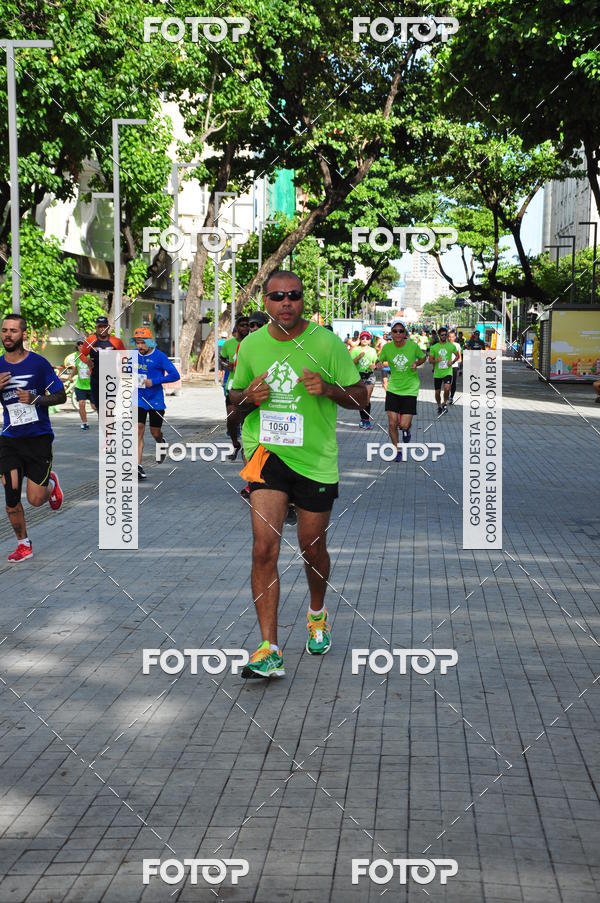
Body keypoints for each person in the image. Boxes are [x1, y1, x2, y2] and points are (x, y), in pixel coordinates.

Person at [229, 271, 366, 678]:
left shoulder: (325, 342)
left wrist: (329, 388)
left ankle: (317, 613)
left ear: (304, 300)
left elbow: (361, 398)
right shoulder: (251, 345)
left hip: (315, 460)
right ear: (265, 302)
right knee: (263, 548)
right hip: (267, 455)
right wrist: (247, 398)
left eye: (293, 296)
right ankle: (268, 648)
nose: (285, 303)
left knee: (311, 547)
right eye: (276, 297)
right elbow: (235, 401)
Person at [0, 314, 66, 562]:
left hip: (38, 438)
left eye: (13, 331)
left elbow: (61, 396)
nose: (8, 335)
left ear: (23, 334)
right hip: (10, 439)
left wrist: (36, 399)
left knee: (35, 500)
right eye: (4, 330)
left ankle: (50, 484)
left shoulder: (38, 364)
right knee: (11, 496)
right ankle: (23, 544)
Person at [133, 327, 180, 480]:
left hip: (156, 400)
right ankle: (137, 466)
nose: (139, 346)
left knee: (155, 432)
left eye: (142, 343)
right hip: (138, 399)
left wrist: (154, 381)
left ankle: (161, 442)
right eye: (137, 343)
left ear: (149, 342)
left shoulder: (160, 356)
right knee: (138, 430)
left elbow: (175, 375)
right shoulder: (132, 356)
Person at [376, 319, 426, 461]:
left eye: (401, 331)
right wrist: (378, 364)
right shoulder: (387, 348)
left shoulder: (412, 346)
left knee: (403, 424)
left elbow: (423, 358)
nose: (398, 333)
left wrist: (417, 363)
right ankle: (397, 450)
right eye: (395, 331)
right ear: (391, 333)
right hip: (393, 388)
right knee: (392, 423)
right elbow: (379, 360)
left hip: (410, 389)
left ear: (405, 333)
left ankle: (407, 429)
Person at [80, 315, 126, 410]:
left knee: (109, 406)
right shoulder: (90, 340)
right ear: (96, 327)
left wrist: (122, 369)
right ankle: (104, 423)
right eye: (100, 326)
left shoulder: (116, 341)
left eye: (104, 326)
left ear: (108, 327)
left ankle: (108, 424)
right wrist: (87, 361)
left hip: (112, 378)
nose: (102, 329)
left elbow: (125, 356)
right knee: (99, 406)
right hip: (96, 378)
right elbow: (81, 355)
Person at [220, 316, 249, 459]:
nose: (244, 327)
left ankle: (248, 449)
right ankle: (235, 443)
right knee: (231, 419)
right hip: (233, 386)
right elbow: (222, 359)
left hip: (250, 387)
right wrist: (227, 365)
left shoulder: (254, 343)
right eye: (241, 325)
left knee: (247, 420)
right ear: (236, 327)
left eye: (247, 325)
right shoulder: (228, 344)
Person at [350, 331, 377, 428]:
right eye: (363, 338)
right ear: (360, 340)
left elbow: (375, 363)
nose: (365, 340)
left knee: (366, 398)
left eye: (367, 338)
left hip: (369, 375)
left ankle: (366, 420)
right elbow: (351, 363)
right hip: (358, 376)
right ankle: (363, 420)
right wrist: (359, 356)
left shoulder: (373, 351)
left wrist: (374, 366)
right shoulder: (355, 350)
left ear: (370, 340)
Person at [67, 340, 95, 429]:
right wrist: (71, 376)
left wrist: (93, 372)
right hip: (80, 386)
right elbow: (76, 367)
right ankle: (84, 423)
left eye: (83, 344)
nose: (81, 346)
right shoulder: (76, 355)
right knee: (81, 403)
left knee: (94, 406)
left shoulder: (92, 355)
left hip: (91, 385)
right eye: (79, 345)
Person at [429, 326, 457, 414]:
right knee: (437, 393)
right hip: (437, 373)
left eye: (445, 335)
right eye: (442, 335)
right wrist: (436, 360)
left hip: (448, 371)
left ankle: (444, 403)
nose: (444, 336)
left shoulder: (451, 346)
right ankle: (439, 406)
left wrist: (452, 362)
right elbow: (430, 360)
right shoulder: (434, 347)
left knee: (447, 388)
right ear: (439, 335)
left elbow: (458, 356)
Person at [448, 329, 462, 404]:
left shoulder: (457, 345)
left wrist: (460, 368)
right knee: (447, 382)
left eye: (452, 337)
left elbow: (459, 357)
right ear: (448, 337)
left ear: (455, 337)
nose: (451, 338)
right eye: (449, 337)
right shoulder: (445, 345)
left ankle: (451, 397)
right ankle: (447, 395)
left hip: (455, 366)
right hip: (446, 366)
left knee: (453, 382)